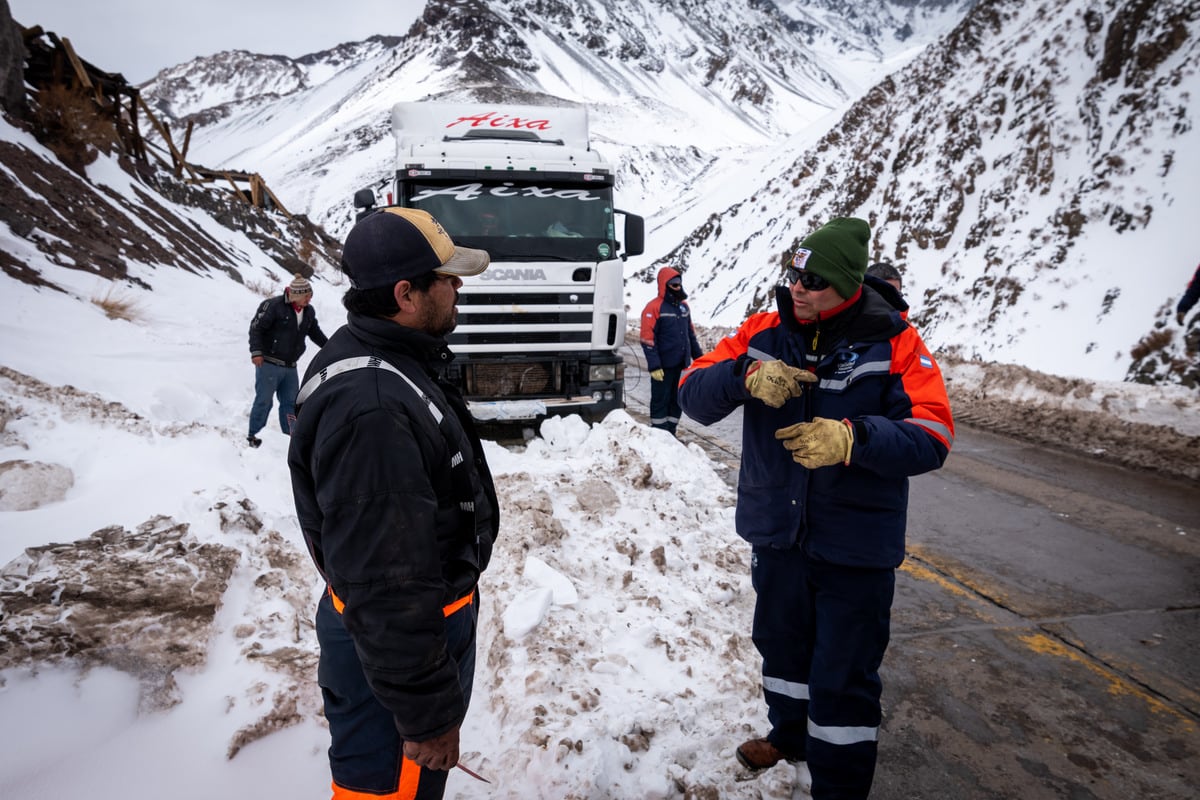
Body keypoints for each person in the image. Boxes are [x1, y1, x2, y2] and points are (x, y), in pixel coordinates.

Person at [678, 217, 954, 799]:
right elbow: (692, 395)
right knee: (782, 651)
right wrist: (744, 375)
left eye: (817, 281)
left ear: (851, 285)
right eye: (796, 274)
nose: (799, 288)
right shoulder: (763, 332)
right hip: (778, 533)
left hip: (854, 544)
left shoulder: (896, 342)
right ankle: (789, 737)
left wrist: (855, 438)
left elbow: (933, 435)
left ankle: (839, 786)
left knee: (844, 677)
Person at [288, 207, 500, 800]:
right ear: (406, 294)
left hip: (411, 641)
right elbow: (385, 583)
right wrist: (428, 716)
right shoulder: (374, 409)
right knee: (388, 792)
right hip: (401, 653)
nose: (458, 290)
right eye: (448, 279)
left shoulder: (385, 357)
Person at [246, 273, 328, 447]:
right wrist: (256, 352)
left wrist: (330, 347)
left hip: (290, 367)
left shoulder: (308, 311)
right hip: (268, 363)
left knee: (291, 404)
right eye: (306, 296)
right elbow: (256, 329)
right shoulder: (273, 306)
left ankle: (290, 439)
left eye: (310, 295)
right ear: (296, 295)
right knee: (264, 401)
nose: (309, 299)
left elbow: (315, 333)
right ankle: (253, 437)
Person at [639, 266, 704, 436]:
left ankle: (671, 433)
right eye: (673, 284)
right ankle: (659, 435)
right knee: (661, 399)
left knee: (677, 401)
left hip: (681, 365)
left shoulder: (683, 307)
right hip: (662, 366)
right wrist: (654, 366)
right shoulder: (653, 307)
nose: (677, 286)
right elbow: (647, 339)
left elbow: (690, 335)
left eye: (679, 283)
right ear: (664, 284)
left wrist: (701, 360)